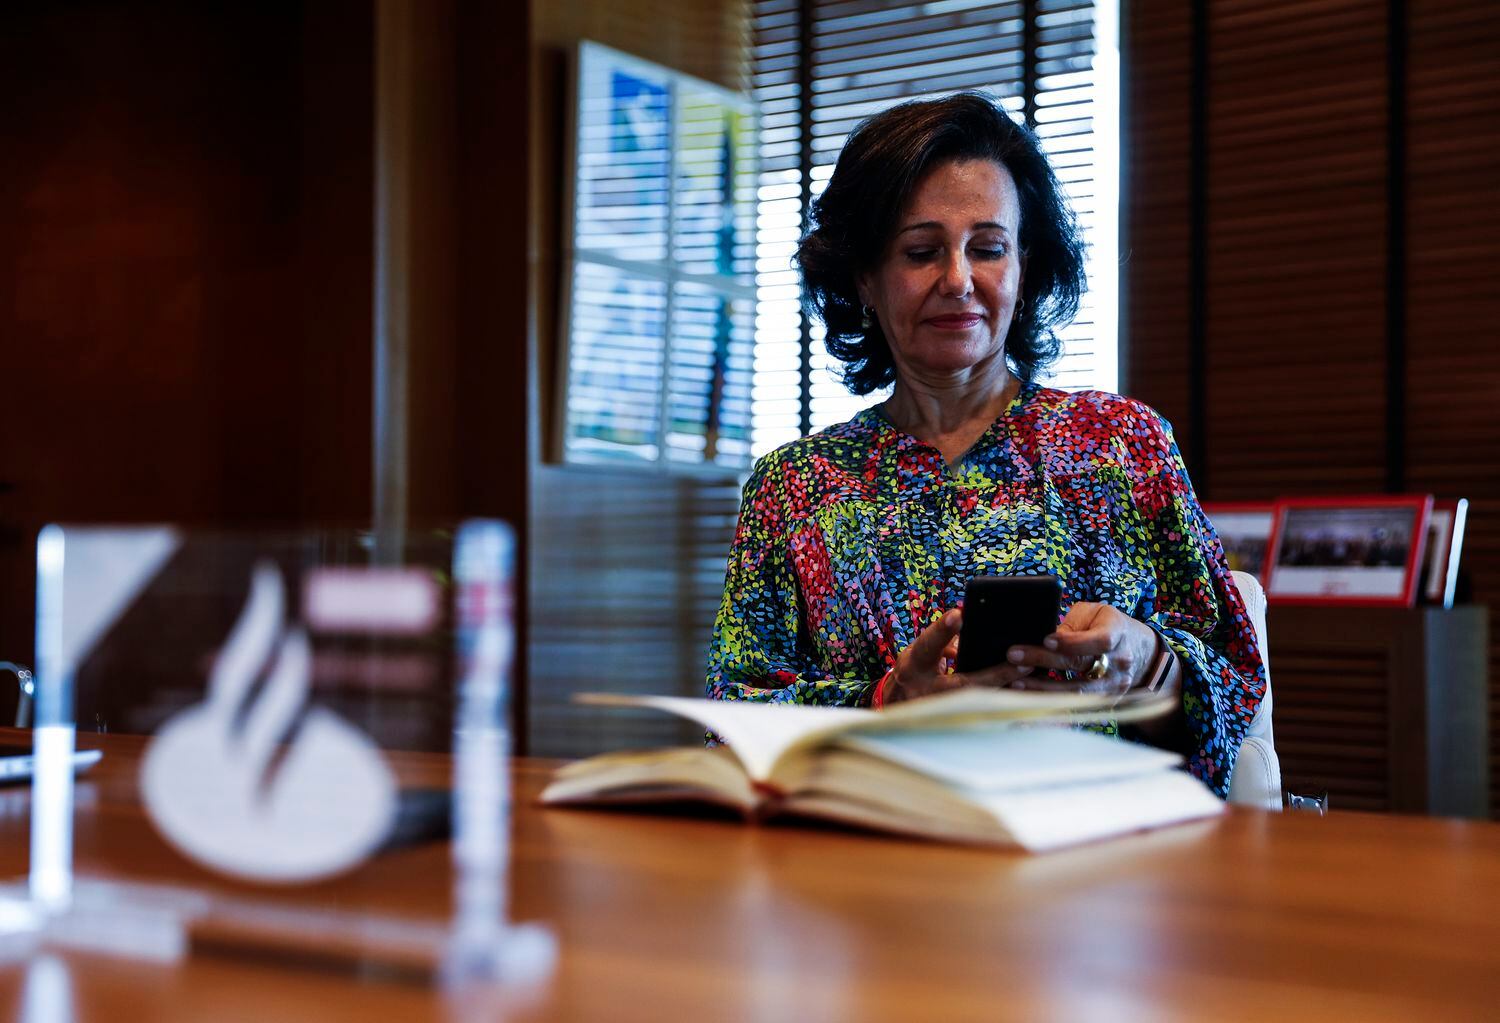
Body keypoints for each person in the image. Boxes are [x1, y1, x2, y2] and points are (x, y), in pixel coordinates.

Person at [704, 93, 1265, 796]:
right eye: (921, 251)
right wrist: (889, 704)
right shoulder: (794, 486)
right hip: (867, 857)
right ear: (864, 279)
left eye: (989, 248)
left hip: (1100, 855)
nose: (959, 280)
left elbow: (1237, 681)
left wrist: (1147, 659)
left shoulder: (1124, 445)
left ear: (1024, 269)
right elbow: (731, 722)